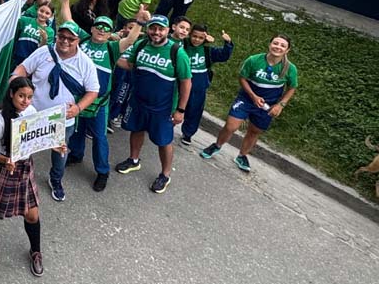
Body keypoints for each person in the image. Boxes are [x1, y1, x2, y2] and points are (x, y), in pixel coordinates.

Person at [60, 0, 144, 192]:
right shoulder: (83, 40)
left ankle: (102, 171)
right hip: (79, 98)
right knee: (77, 131)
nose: (101, 30)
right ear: (91, 29)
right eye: (98, 26)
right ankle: (76, 155)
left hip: (99, 102)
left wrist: (140, 22)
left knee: (99, 137)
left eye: (106, 28)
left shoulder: (112, 48)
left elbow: (130, 40)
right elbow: (68, 21)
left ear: (110, 34)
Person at [11, 21, 99, 202]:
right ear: (57, 36)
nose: (65, 41)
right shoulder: (44, 52)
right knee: (22, 146)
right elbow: (24, 68)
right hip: (32, 113)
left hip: (61, 118)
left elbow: (93, 91)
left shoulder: (86, 63)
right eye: (62, 37)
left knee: (60, 151)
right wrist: (14, 78)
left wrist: (78, 108)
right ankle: (17, 177)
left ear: (78, 40)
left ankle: (56, 179)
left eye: (70, 38)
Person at [115, 14, 192, 194]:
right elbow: (129, 64)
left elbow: (186, 82)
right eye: (153, 28)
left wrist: (180, 110)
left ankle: (165, 174)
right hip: (138, 102)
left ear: (167, 30)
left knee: (163, 141)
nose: (156, 32)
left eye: (160, 29)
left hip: (162, 108)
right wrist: (109, 55)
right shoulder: (141, 45)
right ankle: (134, 160)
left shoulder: (177, 52)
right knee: (136, 129)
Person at [0, 77, 46, 276]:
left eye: (30, 97)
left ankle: (36, 251)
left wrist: (55, 144)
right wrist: (3, 159)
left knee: (32, 215)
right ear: (11, 94)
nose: (25, 101)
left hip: (25, 168)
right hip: (4, 169)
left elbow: (39, 137)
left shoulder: (31, 113)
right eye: (21, 96)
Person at [201, 35, 297, 173]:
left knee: (255, 131)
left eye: (282, 45)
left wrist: (280, 105)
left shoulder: (290, 68)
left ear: (287, 50)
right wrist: (253, 96)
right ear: (269, 45)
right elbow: (242, 78)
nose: (278, 47)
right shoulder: (254, 60)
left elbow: (292, 87)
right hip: (246, 99)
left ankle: (242, 156)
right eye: (275, 43)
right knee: (230, 126)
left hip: (267, 105)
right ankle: (217, 145)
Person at [179, 25, 233, 145]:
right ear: (189, 35)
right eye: (194, 36)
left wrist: (228, 43)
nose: (197, 40)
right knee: (173, 105)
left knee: (194, 110)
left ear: (205, 38)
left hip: (198, 87)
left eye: (200, 38)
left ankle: (188, 133)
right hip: (180, 84)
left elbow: (223, 56)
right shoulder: (183, 45)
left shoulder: (208, 51)